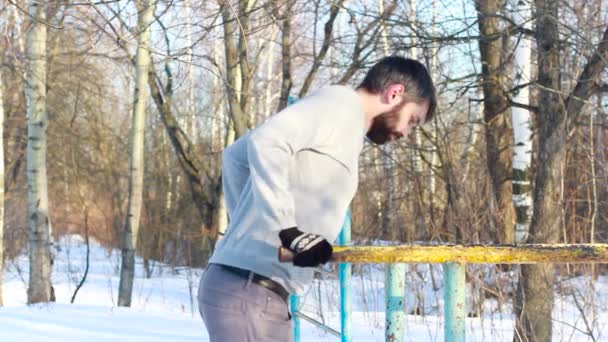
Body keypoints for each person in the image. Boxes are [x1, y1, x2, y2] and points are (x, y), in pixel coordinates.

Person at [197, 56, 436, 342]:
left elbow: (236, 158)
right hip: (249, 292)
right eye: (412, 120)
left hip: (255, 293)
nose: (406, 133)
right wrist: (285, 230)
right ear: (394, 93)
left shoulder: (348, 126)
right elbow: (267, 141)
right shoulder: (339, 105)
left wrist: (252, 234)